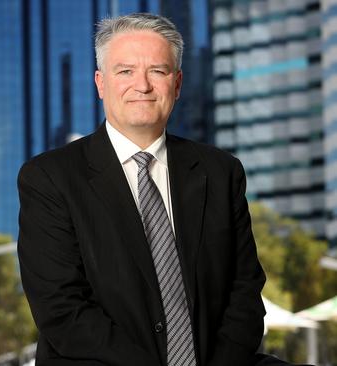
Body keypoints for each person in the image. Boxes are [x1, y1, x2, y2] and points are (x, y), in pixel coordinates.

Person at [17, 13, 304, 366]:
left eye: (158, 70)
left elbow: (244, 294)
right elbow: (63, 312)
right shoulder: (49, 177)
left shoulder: (220, 172)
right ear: (100, 83)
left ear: (178, 83)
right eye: (125, 71)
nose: (143, 85)